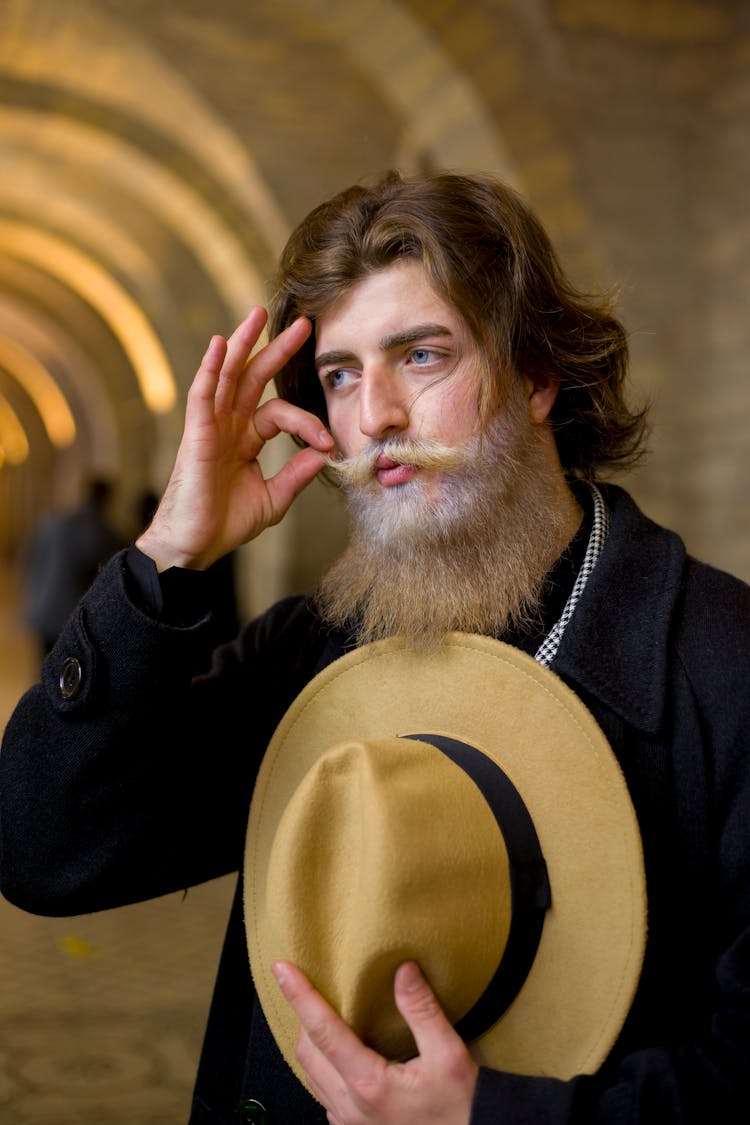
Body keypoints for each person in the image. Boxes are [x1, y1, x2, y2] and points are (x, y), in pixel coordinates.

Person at [1, 170, 749, 1125]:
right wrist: (165, 560)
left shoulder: (721, 665)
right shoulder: (315, 650)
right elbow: (43, 845)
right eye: (344, 373)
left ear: (536, 378)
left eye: (423, 355)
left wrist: (491, 1120)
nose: (375, 416)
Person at [21, 474, 123, 660]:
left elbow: (29, 559)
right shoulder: (99, 532)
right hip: (67, 614)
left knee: (45, 668)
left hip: (43, 608)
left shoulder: (54, 523)